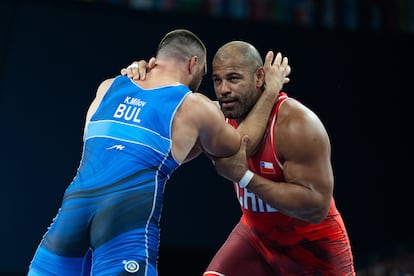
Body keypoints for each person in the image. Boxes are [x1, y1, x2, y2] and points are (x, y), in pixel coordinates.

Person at [27, 30, 290, 275]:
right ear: (193, 64)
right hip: (124, 225)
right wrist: (271, 90)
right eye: (204, 74)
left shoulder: (109, 86)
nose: (200, 82)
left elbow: (143, 150)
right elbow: (243, 145)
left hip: (71, 216)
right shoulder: (193, 106)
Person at [125, 41, 355, 275]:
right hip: (256, 239)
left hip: (313, 248)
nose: (224, 89)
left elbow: (316, 207)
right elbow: (160, 150)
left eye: (234, 78)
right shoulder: (214, 117)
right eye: (217, 80)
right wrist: (143, 80)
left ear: (258, 78)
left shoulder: (296, 124)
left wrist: (245, 178)